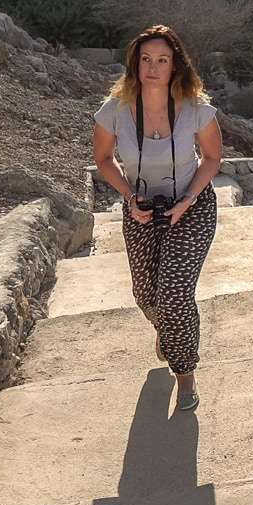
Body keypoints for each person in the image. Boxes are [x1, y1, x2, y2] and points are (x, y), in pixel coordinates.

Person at [91, 25, 224, 412]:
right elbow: (103, 159)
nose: (153, 67)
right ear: (135, 63)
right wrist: (130, 197)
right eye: (146, 59)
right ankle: (168, 330)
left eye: (162, 60)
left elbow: (213, 158)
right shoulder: (113, 111)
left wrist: (187, 200)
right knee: (146, 296)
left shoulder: (196, 108)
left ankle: (185, 374)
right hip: (141, 208)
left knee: (175, 295)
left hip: (192, 206)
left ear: (174, 66)